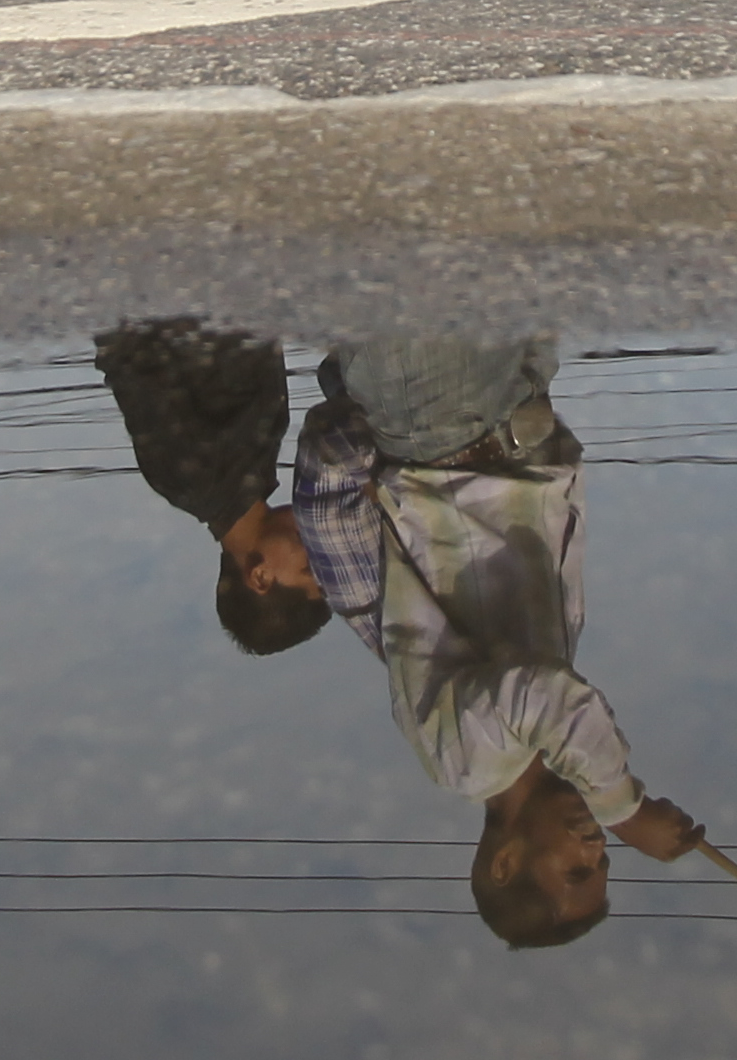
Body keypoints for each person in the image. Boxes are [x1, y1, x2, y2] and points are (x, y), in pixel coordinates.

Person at [286, 338, 703, 947]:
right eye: (605, 861)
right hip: (497, 406)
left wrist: (628, 812)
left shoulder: (466, 763)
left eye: (577, 868)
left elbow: (544, 696)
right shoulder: (522, 748)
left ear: (504, 863)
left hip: (440, 408)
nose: (595, 846)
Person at [98, 320, 326, 655]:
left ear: (260, 576)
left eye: (308, 567)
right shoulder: (254, 474)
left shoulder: (191, 480)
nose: (321, 549)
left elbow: (129, 353)